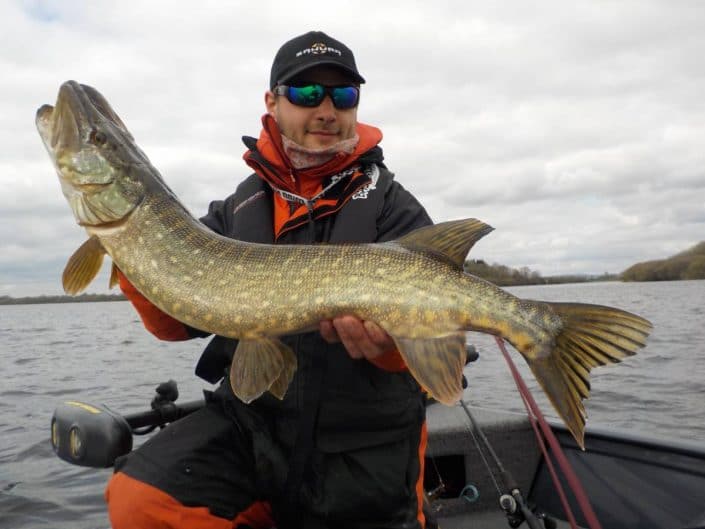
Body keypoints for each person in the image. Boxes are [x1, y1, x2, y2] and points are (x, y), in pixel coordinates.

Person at [105, 30, 435, 529]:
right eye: (306, 93)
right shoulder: (239, 208)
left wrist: (387, 346)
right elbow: (174, 324)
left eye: (342, 95)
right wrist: (128, 245)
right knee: (140, 500)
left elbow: (435, 335)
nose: (326, 109)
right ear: (272, 101)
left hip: (364, 437)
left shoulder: (392, 205)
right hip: (254, 425)